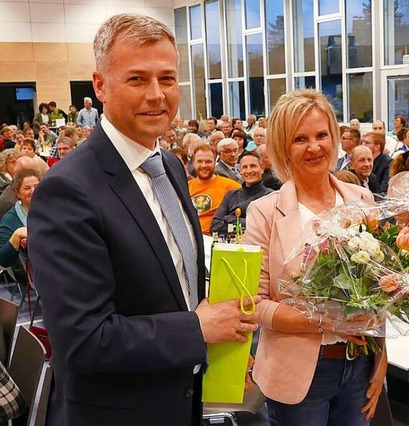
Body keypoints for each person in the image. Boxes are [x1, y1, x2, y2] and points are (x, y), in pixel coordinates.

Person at [28, 14, 259, 426]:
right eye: (137, 79)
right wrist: (197, 330)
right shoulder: (68, 190)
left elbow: (180, 282)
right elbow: (83, 340)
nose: (157, 95)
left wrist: (218, 346)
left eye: (167, 79)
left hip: (178, 398)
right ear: (100, 86)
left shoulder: (168, 164)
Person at [243, 89, 387, 426]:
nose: (314, 147)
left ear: (336, 139)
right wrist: (328, 322)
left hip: (359, 365)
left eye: (322, 135)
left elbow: (379, 288)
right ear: (283, 147)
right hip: (298, 373)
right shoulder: (264, 212)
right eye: (300, 139)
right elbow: (254, 303)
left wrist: (380, 362)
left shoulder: (362, 198)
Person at [210, 150, 272, 236]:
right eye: (245, 167)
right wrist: (247, 223)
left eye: (253, 166)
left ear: (262, 169)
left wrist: (228, 219)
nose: (249, 171)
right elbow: (214, 227)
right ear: (240, 171)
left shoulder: (270, 197)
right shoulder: (231, 195)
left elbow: (264, 229)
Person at [188, 144, 241, 235]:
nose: (204, 165)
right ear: (193, 163)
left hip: (217, 238)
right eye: (200, 161)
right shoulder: (185, 187)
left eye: (208, 161)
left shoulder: (232, 187)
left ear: (215, 163)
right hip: (190, 237)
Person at [0, 170, 38, 268]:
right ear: (18, 193)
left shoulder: (53, 209)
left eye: (36, 186)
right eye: (27, 188)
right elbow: (3, 259)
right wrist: (16, 236)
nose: (33, 190)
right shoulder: (10, 219)